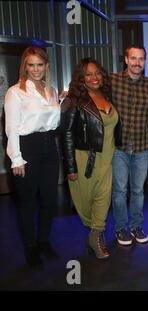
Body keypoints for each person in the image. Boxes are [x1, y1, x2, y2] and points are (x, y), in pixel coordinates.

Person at [4, 46, 60, 269]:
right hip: (27, 149)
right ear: (24, 67)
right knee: (27, 202)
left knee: (48, 200)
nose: (36, 69)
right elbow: (11, 128)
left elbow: (52, 122)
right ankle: (30, 247)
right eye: (31, 65)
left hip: (49, 147)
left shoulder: (52, 90)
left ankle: (44, 241)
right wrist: (16, 158)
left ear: (46, 66)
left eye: (40, 65)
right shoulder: (15, 92)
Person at [60, 58, 119, 259]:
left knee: (103, 199)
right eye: (88, 74)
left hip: (108, 159)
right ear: (81, 78)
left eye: (97, 73)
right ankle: (93, 230)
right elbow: (66, 133)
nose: (94, 78)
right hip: (84, 159)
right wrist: (70, 167)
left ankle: (96, 235)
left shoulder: (108, 96)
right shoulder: (73, 101)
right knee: (85, 203)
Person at [110, 45, 148, 245]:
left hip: (142, 146)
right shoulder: (112, 81)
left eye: (142, 59)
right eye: (134, 58)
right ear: (126, 60)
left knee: (138, 191)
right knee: (120, 191)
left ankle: (136, 226)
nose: (138, 63)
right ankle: (121, 229)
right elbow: (89, 86)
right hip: (118, 147)